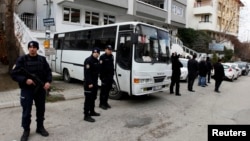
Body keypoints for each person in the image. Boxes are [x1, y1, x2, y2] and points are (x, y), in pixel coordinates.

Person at [10, 41, 52, 141]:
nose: (32, 49)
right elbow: (14, 74)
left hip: (40, 89)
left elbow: (48, 72)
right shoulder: (21, 60)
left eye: (34, 47)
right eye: (30, 47)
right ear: (28, 48)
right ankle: (26, 130)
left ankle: (40, 128)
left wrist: (48, 82)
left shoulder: (42, 59)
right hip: (27, 89)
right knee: (26, 111)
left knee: (41, 110)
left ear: (37, 49)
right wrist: (25, 80)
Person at [83, 47, 101, 122]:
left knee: (93, 98)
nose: (96, 54)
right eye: (95, 52)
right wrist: (90, 83)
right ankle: (86, 115)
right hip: (89, 83)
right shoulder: (88, 60)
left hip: (95, 82)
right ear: (92, 52)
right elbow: (87, 73)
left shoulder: (97, 60)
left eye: (97, 53)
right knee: (88, 99)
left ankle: (92, 111)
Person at [99, 45, 114, 110]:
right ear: (105, 50)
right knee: (103, 91)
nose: (110, 51)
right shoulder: (102, 57)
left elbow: (112, 67)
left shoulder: (111, 56)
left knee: (108, 91)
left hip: (110, 77)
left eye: (110, 50)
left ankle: (106, 102)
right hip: (104, 77)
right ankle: (101, 104)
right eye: (108, 49)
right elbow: (100, 68)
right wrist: (102, 77)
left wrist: (112, 76)